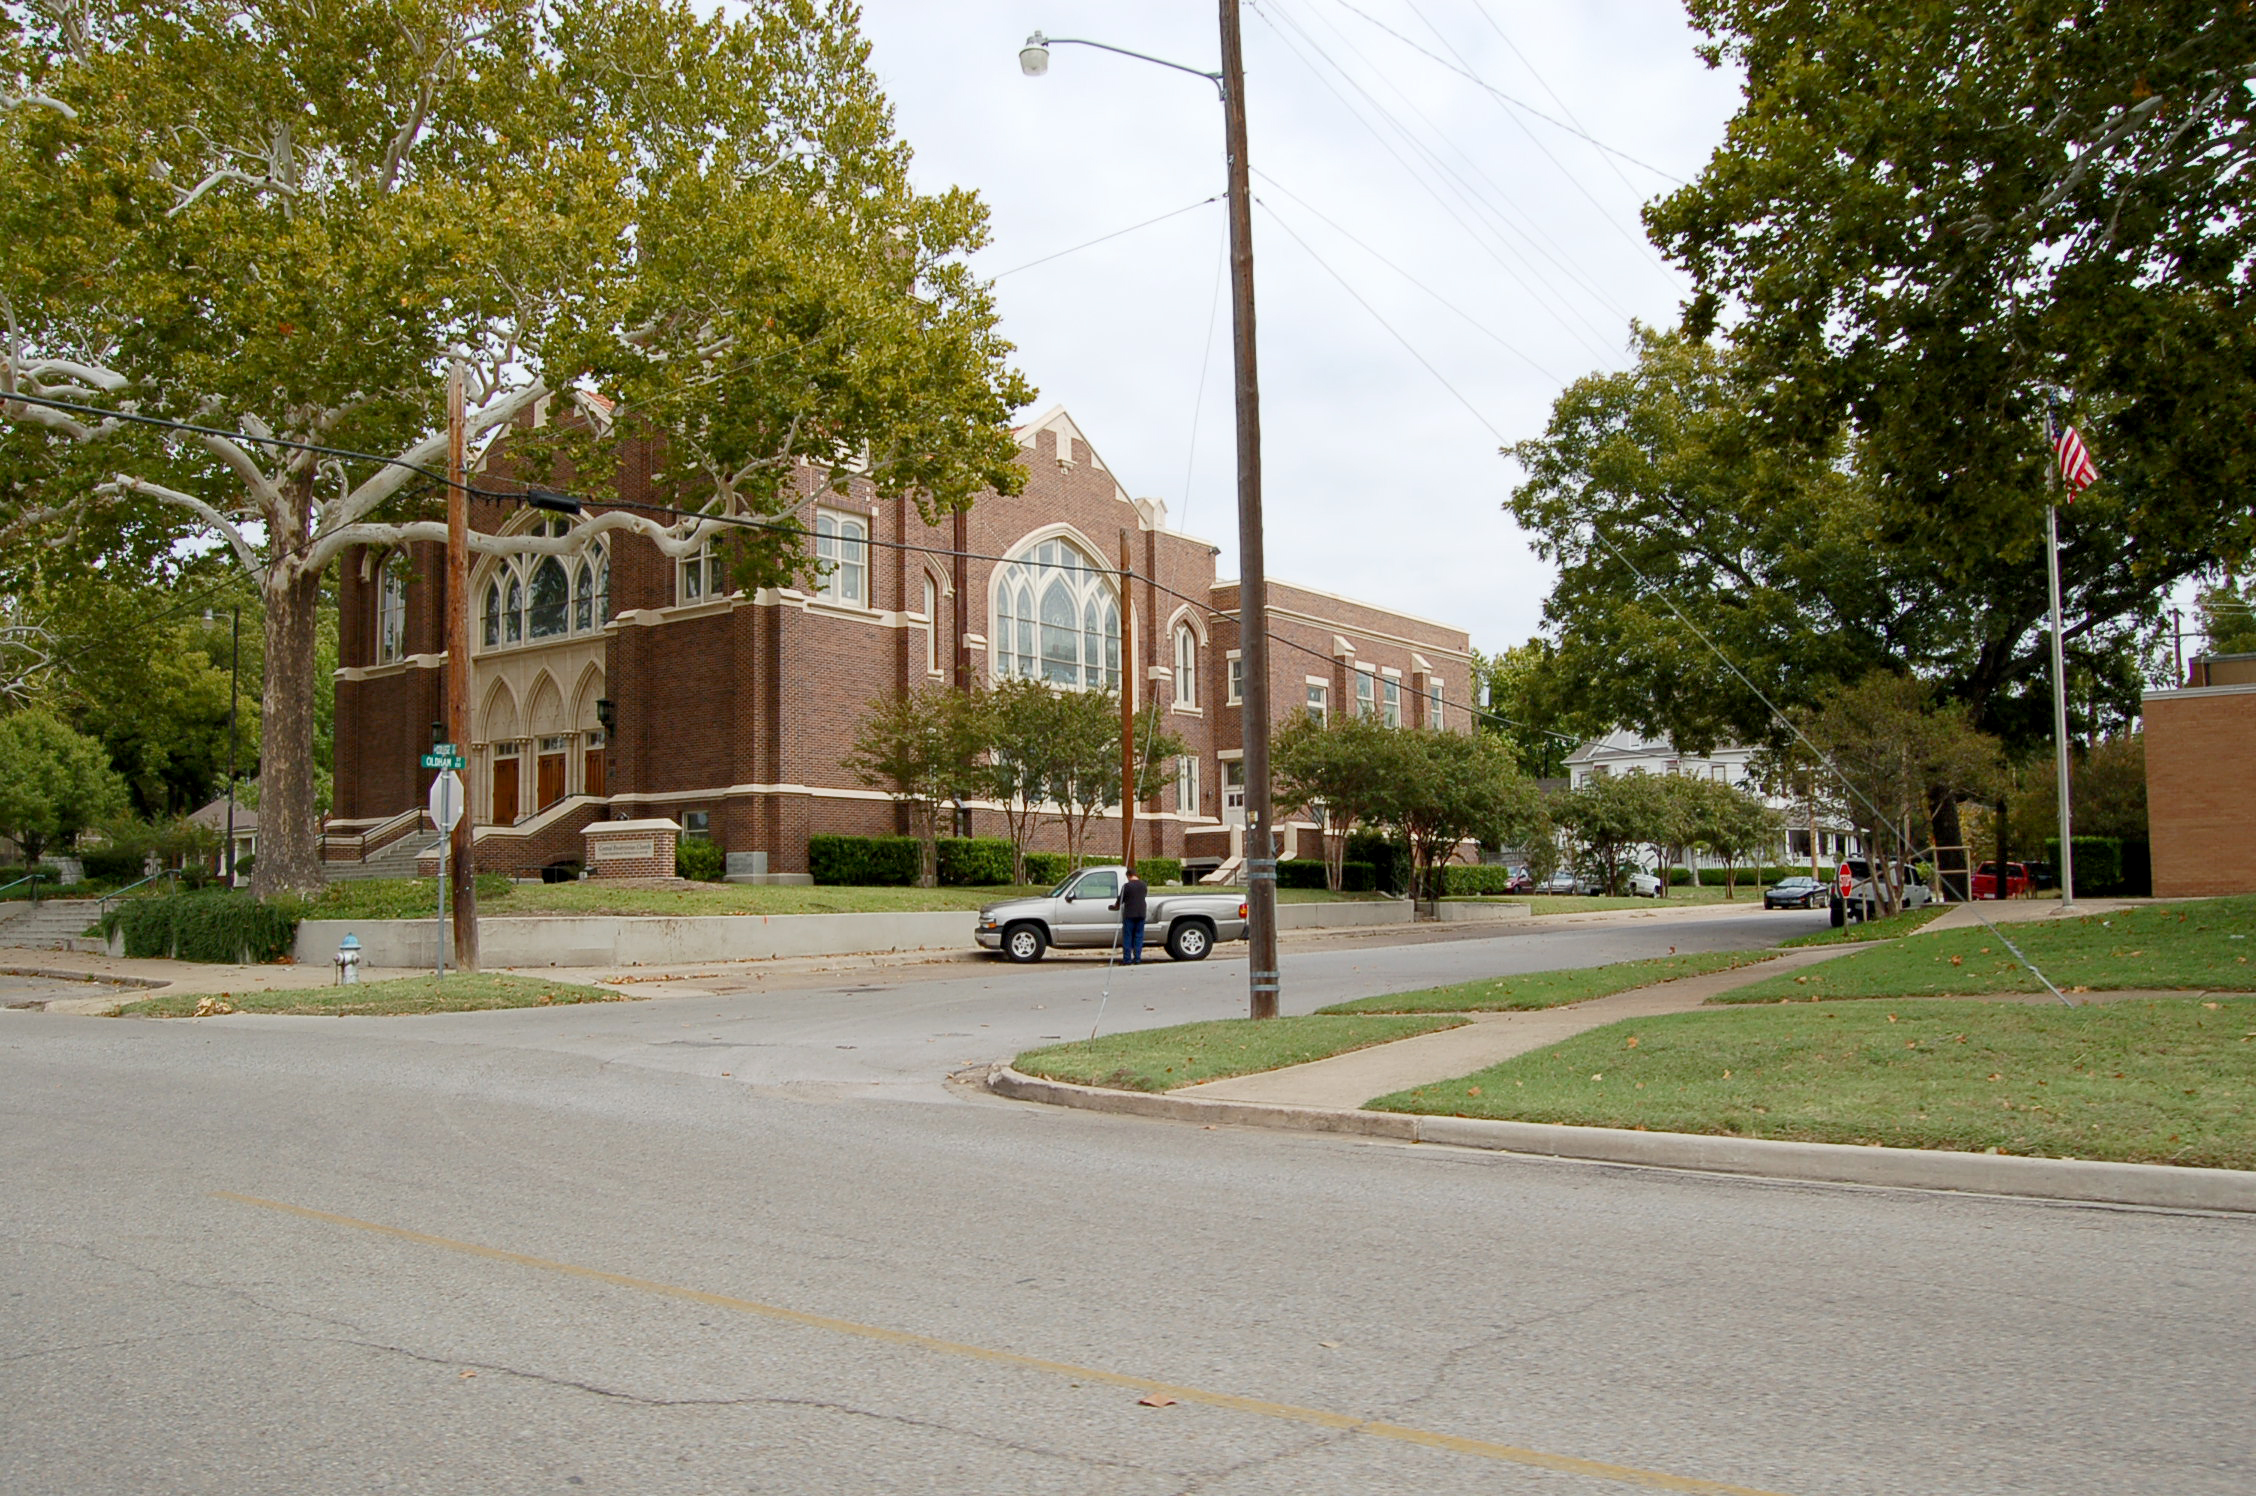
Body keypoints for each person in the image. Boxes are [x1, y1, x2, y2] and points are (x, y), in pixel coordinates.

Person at [1110, 866, 1149, 965]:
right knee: (1138, 937)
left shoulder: (1127, 886)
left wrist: (1115, 906)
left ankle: (1127, 959)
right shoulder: (1144, 885)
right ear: (1136, 875)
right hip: (1141, 913)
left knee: (1128, 937)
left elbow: (1120, 900)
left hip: (1130, 914)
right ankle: (1137, 959)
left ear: (1128, 876)